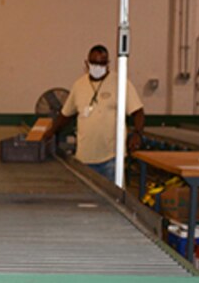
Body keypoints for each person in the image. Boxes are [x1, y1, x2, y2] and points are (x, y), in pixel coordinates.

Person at [45, 44, 145, 183]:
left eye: (101, 63)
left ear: (108, 64)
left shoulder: (120, 83)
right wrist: (50, 133)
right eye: (94, 63)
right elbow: (65, 115)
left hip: (111, 158)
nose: (97, 67)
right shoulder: (79, 85)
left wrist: (137, 133)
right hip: (84, 158)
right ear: (87, 63)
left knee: (113, 199)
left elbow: (138, 111)